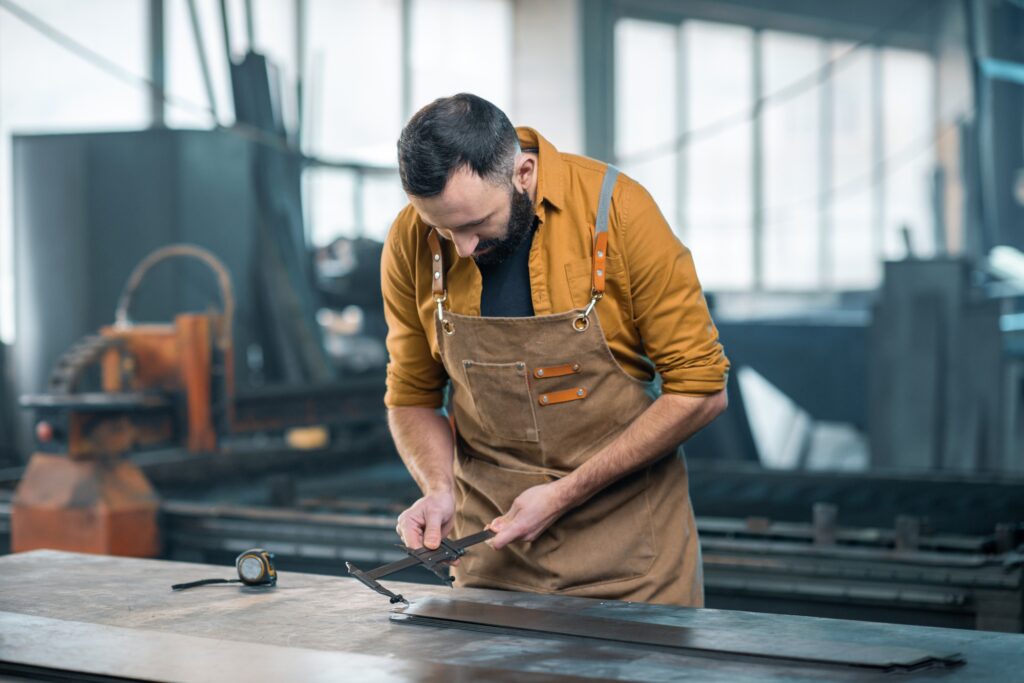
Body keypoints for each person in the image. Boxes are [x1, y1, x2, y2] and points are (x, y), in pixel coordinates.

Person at [382, 93, 729, 606]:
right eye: (443, 229)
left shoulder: (619, 212)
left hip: (631, 561)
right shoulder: (410, 239)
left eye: (476, 225)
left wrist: (565, 493)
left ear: (523, 173)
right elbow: (411, 395)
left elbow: (701, 391)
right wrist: (438, 487)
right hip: (490, 560)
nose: (462, 248)